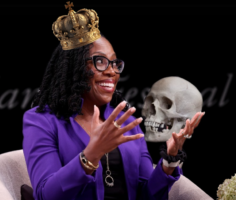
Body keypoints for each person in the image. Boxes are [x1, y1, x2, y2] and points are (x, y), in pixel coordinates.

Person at [23, 4, 204, 200]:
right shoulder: (41, 121)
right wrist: (91, 154)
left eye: (115, 63)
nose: (112, 71)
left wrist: (170, 160)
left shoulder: (127, 122)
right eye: (100, 62)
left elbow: (147, 195)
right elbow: (45, 195)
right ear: (73, 68)